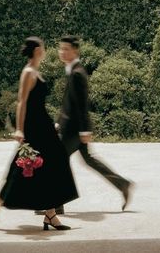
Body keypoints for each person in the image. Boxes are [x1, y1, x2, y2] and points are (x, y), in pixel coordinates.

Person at [0, 36, 78, 230]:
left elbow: (37, 104)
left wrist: (50, 124)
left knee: (48, 166)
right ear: (37, 50)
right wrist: (19, 129)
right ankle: (0, 198)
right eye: (43, 47)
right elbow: (22, 102)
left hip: (43, 126)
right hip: (33, 127)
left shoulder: (36, 71)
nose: (45, 50)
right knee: (27, 166)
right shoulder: (28, 72)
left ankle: (50, 214)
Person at [55, 35, 133, 214]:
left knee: (58, 161)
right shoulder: (72, 70)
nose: (62, 52)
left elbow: (82, 105)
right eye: (61, 48)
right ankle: (122, 184)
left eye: (66, 49)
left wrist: (84, 130)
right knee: (89, 160)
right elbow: (69, 103)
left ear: (75, 51)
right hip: (71, 127)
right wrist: (58, 123)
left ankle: (55, 205)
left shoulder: (77, 73)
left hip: (74, 130)